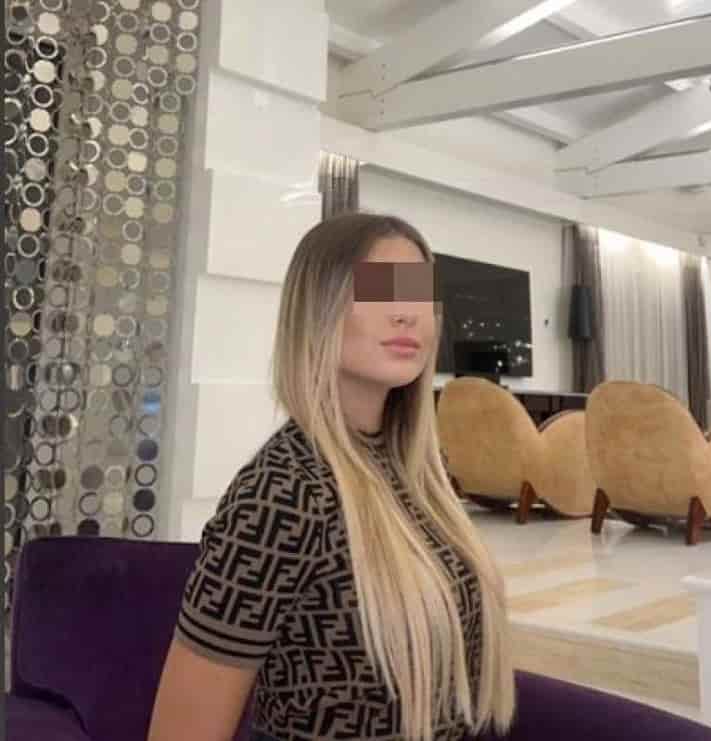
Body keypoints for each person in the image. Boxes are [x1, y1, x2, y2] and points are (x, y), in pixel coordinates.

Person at [147, 212, 515, 741]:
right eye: (379, 290)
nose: (407, 314)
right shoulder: (281, 495)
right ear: (318, 309)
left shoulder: (418, 475)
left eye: (418, 293)